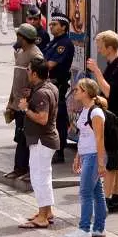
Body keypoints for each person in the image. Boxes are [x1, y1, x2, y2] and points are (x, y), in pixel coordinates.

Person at [85, 29, 118, 214]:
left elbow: (110, 92)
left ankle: (109, 197)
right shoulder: (112, 65)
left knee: (112, 161)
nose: (99, 50)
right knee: (116, 161)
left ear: (110, 48)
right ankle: (116, 198)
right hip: (111, 116)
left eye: (101, 47)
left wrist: (96, 72)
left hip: (116, 118)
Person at [18, 60, 60, 229]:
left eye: (28, 70)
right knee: (44, 176)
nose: (27, 72)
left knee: (38, 178)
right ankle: (47, 211)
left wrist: (26, 108)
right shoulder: (50, 88)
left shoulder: (42, 93)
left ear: (35, 74)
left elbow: (42, 118)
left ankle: (42, 217)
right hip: (45, 140)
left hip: (42, 140)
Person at [64, 78, 108, 237]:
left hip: (94, 155)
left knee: (85, 192)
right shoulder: (85, 110)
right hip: (87, 154)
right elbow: (83, 136)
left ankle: (84, 228)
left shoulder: (95, 112)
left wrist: (101, 162)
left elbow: (99, 139)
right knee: (96, 192)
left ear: (86, 93)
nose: (75, 92)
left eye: (78, 90)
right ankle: (98, 227)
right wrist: (78, 156)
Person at [5, 23, 43, 181]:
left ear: (24, 38)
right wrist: (11, 102)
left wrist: (32, 93)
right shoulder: (21, 53)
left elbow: (41, 79)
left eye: (19, 36)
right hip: (18, 103)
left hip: (28, 104)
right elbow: (16, 81)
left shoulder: (36, 56)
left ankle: (28, 170)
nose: (17, 38)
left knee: (28, 138)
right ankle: (19, 168)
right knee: (20, 136)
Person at [42, 16, 74, 163]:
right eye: (50, 24)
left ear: (64, 27)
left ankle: (59, 151)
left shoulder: (65, 44)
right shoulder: (52, 42)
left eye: (55, 24)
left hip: (57, 85)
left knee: (58, 118)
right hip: (49, 84)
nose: (51, 27)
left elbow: (50, 64)